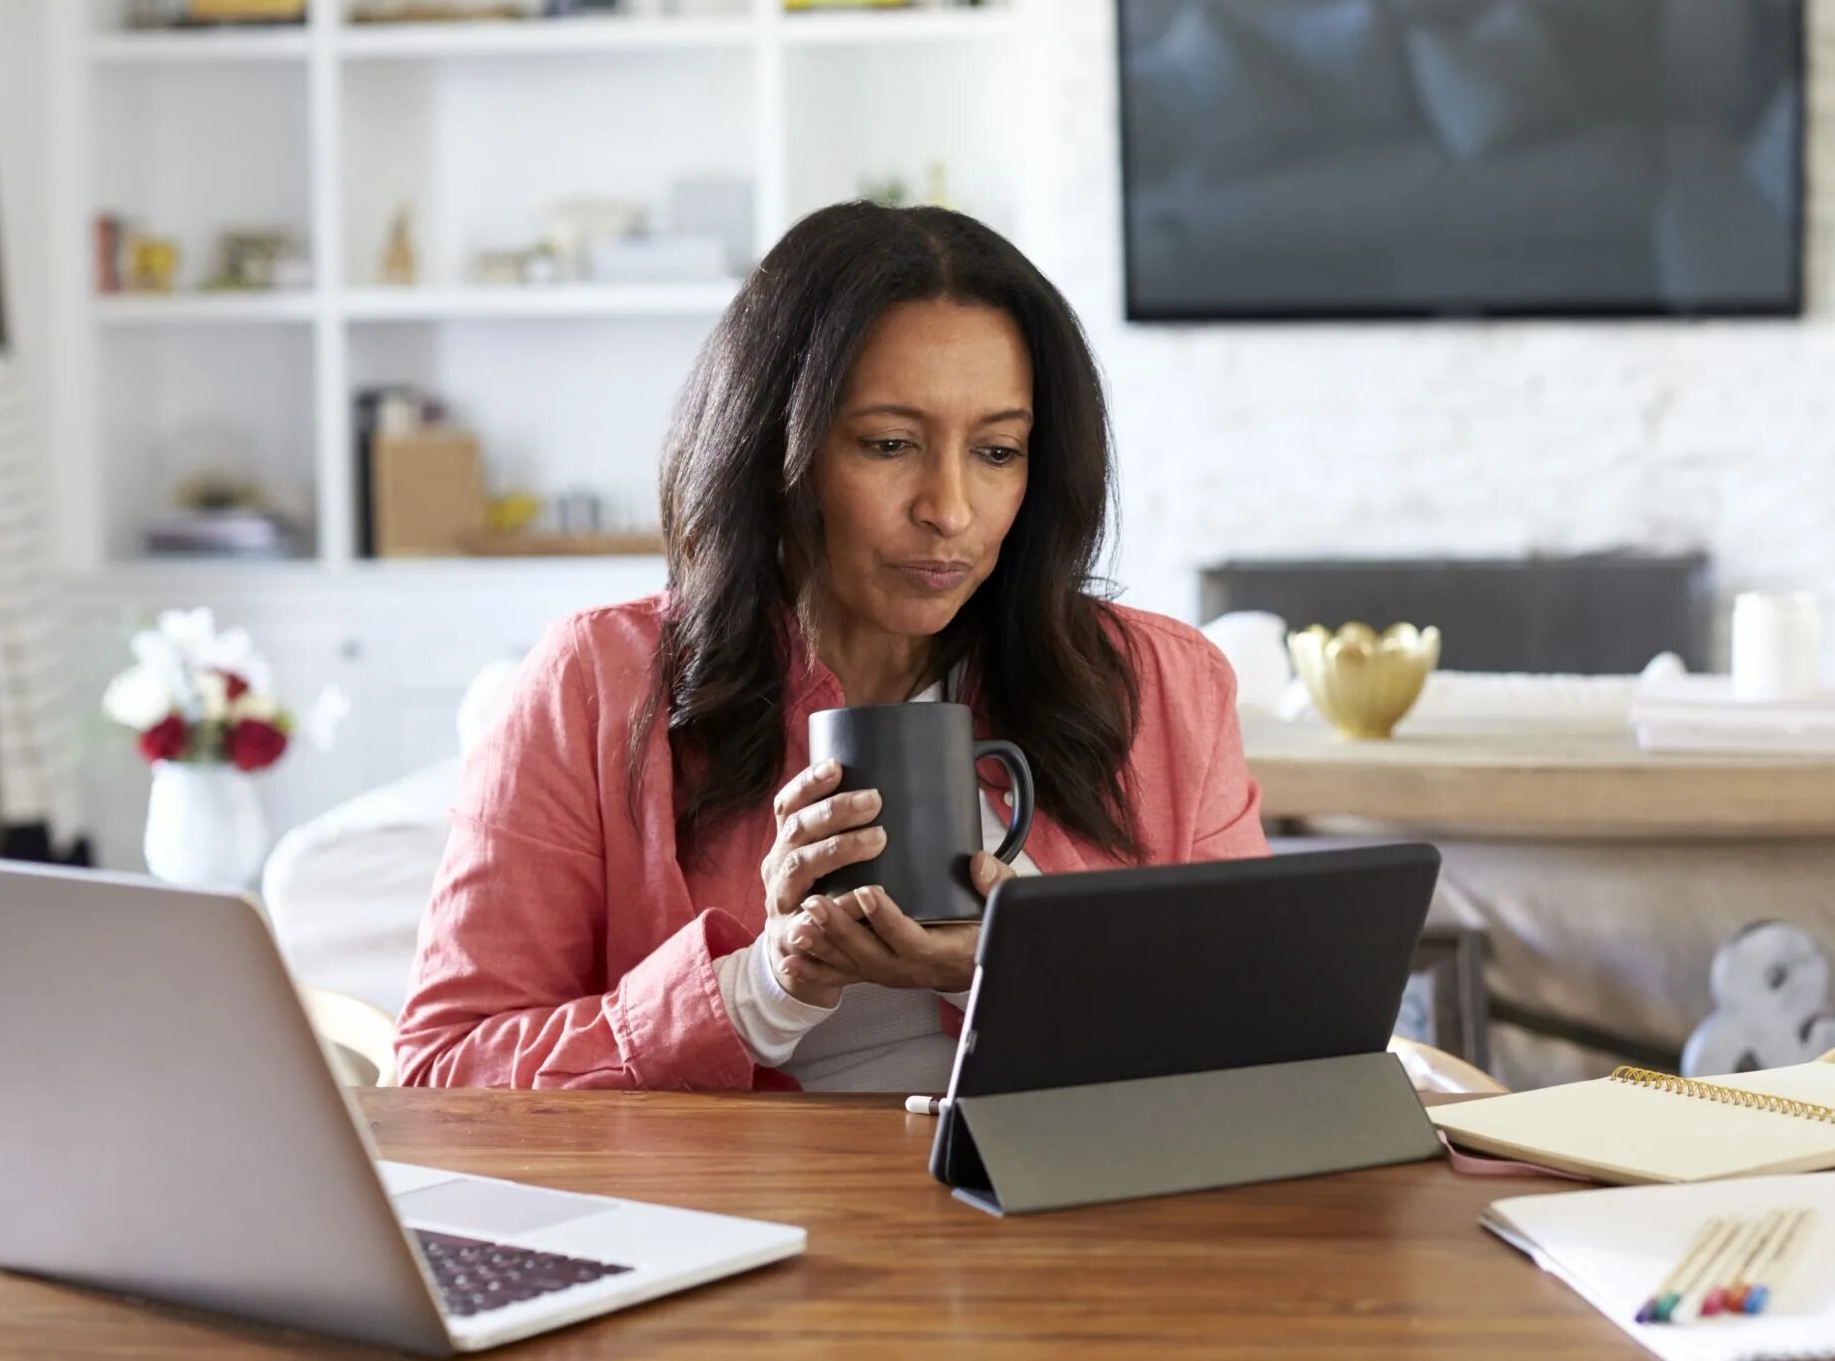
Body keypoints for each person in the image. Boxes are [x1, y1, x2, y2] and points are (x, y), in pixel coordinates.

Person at [394, 203, 1268, 1092]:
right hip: (735, 1223)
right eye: (890, 445)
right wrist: (761, 988)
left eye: (998, 451)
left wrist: (1037, 976)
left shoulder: (1162, 687)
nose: (950, 510)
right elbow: (441, 1078)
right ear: (774, 450)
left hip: (1057, 1217)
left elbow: (1272, 1037)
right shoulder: (599, 684)